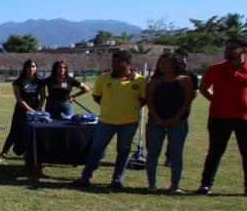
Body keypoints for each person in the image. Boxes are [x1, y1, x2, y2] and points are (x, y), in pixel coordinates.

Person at [196, 39, 247, 201]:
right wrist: (215, 101)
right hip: (219, 117)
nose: (228, 50)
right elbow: (203, 87)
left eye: (232, 48)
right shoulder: (216, 69)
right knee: (215, 152)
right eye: (227, 48)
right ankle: (205, 185)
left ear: (244, 50)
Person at [73, 50, 147, 189]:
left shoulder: (140, 80)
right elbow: (97, 97)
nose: (114, 65)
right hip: (106, 122)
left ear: (128, 63)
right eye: (113, 62)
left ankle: (116, 180)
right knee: (96, 149)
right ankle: (85, 177)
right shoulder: (103, 78)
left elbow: (143, 100)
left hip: (129, 123)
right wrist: (109, 107)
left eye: (118, 62)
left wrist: (128, 109)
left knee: (123, 151)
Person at [145, 54, 194, 193]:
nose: (161, 66)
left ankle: (174, 186)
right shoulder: (155, 81)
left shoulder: (185, 81)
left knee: (176, 154)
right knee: (153, 153)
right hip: (155, 122)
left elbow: (187, 103)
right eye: (160, 63)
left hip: (178, 122)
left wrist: (175, 118)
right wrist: (156, 118)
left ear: (174, 65)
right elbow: (149, 101)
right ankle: (152, 185)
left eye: (165, 63)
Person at [0, 59, 40, 162]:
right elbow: (19, 98)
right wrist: (29, 110)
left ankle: (29, 154)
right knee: (14, 132)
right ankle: (3, 153)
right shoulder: (18, 82)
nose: (31, 69)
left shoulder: (39, 81)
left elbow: (42, 96)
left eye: (33, 66)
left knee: (33, 133)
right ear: (25, 68)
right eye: (29, 66)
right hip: (21, 110)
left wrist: (38, 110)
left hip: (36, 111)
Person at [163, 47, 199, 167]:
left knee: (175, 137)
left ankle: (170, 157)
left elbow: (194, 93)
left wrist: (185, 104)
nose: (181, 61)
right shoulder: (166, 72)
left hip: (182, 111)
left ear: (186, 59)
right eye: (178, 59)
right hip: (164, 109)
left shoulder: (191, 75)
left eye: (183, 59)